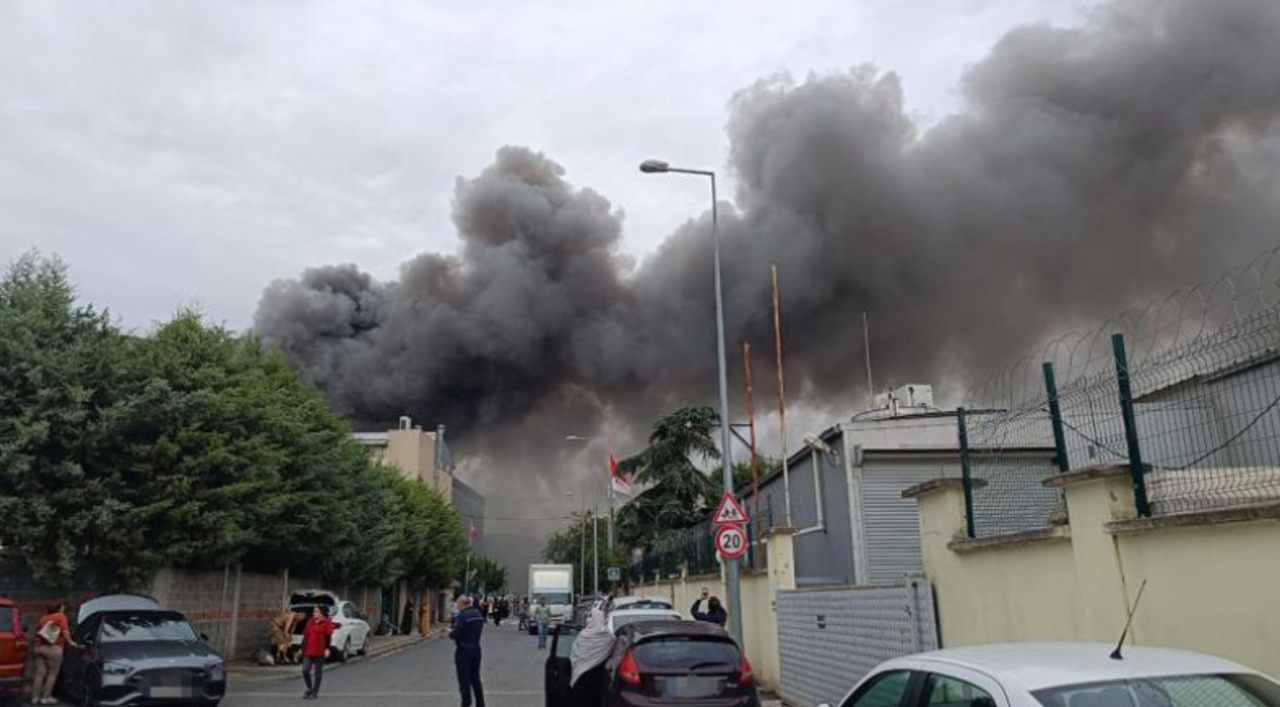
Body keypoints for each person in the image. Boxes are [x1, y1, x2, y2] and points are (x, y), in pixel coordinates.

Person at [32, 601, 77, 705]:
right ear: (60, 608)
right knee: (52, 674)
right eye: (63, 607)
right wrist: (71, 642)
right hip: (53, 648)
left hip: (39, 648)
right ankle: (45, 698)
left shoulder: (43, 618)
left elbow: (38, 633)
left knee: (39, 673)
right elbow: (65, 632)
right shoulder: (60, 616)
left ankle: (35, 698)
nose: (64, 608)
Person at [450, 596, 486, 707]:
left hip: (464, 650)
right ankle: (480, 703)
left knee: (464, 680)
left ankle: (466, 703)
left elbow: (457, 634)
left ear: (462, 604)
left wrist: (449, 633)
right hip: (476, 648)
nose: (457, 607)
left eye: (458, 604)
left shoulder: (462, 616)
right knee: (476, 679)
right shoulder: (478, 614)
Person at [300, 606, 335, 700]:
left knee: (317, 673)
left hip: (319, 650)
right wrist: (301, 649)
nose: (314, 613)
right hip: (308, 650)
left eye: (316, 611)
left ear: (321, 613)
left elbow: (328, 637)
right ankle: (309, 688)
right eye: (314, 611)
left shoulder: (326, 623)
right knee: (305, 670)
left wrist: (327, 648)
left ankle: (315, 691)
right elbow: (305, 637)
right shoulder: (310, 622)